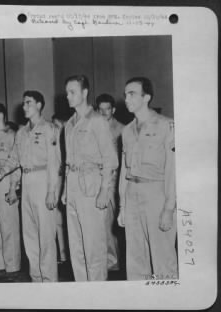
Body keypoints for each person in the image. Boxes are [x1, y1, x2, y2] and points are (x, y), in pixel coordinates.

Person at [117, 77, 177, 280]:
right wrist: (123, 207)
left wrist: (169, 208)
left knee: (163, 258)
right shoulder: (126, 131)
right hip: (132, 194)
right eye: (125, 94)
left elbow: (172, 170)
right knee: (135, 259)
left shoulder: (166, 126)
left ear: (147, 97)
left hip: (156, 194)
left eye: (132, 94)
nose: (126, 98)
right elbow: (124, 173)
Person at [0, 91, 59, 282]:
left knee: (46, 235)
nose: (24, 107)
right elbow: (15, 159)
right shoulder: (22, 132)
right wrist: (2, 174)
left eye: (28, 103)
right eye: (23, 103)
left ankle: (49, 280)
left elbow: (54, 163)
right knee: (29, 234)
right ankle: (36, 278)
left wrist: (51, 191)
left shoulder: (50, 129)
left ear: (39, 105)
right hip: (27, 181)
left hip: (43, 180)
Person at [63, 75, 118, 281]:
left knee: (94, 246)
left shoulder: (97, 121)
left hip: (92, 186)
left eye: (72, 92)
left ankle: (98, 296)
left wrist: (104, 190)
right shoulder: (69, 124)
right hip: (73, 186)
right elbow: (67, 161)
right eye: (67, 92)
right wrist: (65, 192)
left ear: (85, 93)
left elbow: (110, 160)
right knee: (76, 246)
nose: (68, 96)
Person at [0, 102, 21, 277]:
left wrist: (14, 189)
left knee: (9, 226)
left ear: (0, 116)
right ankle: (1, 263)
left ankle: (12, 265)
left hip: (6, 184)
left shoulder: (11, 136)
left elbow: (17, 163)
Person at [96, 93, 124, 271]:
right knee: (97, 224)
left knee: (108, 225)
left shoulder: (121, 129)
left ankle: (112, 263)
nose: (104, 112)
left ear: (113, 110)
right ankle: (100, 260)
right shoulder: (94, 126)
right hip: (94, 180)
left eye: (107, 109)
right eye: (101, 109)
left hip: (112, 182)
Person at [52, 113, 68, 264]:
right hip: (55, 180)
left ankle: (66, 255)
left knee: (64, 221)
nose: (55, 128)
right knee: (57, 221)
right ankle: (61, 255)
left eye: (58, 125)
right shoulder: (54, 140)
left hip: (65, 180)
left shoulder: (68, 138)